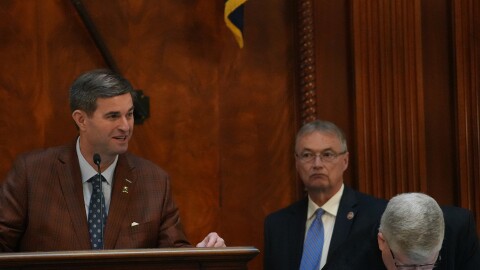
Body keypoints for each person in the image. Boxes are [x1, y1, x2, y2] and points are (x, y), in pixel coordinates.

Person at [0, 69, 225, 251]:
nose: (125, 126)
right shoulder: (32, 173)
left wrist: (204, 253)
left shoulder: (153, 181)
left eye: (129, 114)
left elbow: (173, 255)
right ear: (81, 120)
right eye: (113, 116)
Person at [264, 119, 387, 270]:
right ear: (297, 162)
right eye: (307, 155)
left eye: (327, 154)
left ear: (345, 161)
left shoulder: (377, 216)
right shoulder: (277, 225)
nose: (317, 164)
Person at [323, 192, 480, 269]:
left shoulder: (458, 230)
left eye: (426, 266)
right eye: (407, 267)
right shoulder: (347, 263)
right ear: (382, 241)